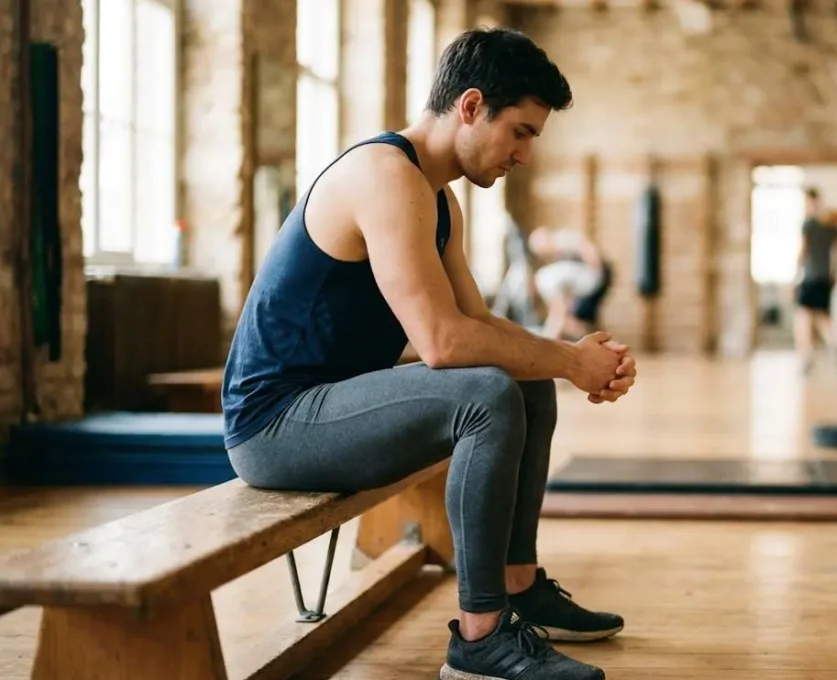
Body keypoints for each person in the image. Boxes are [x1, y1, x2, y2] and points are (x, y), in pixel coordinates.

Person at [221, 27, 634, 680]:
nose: (524, 155)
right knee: (487, 394)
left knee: (521, 381)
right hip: (275, 425)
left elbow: (476, 323)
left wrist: (568, 356)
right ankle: (479, 640)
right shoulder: (384, 176)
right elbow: (444, 344)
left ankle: (518, 584)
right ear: (471, 107)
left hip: (333, 409)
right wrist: (572, 360)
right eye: (521, 132)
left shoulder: (438, 200)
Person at [794, 187, 837, 372]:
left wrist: (795, 271)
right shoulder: (830, 224)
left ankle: (807, 356)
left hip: (811, 277)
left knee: (803, 316)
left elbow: (803, 250)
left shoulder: (808, 224)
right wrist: (836, 271)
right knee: (820, 315)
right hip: (826, 277)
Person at [528, 226, 613, 341]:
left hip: (594, 277)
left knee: (566, 317)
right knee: (574, 320)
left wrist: (596, 271)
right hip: (582, 285)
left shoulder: (546, 278)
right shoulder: (554, 271)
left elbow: (588, 248)